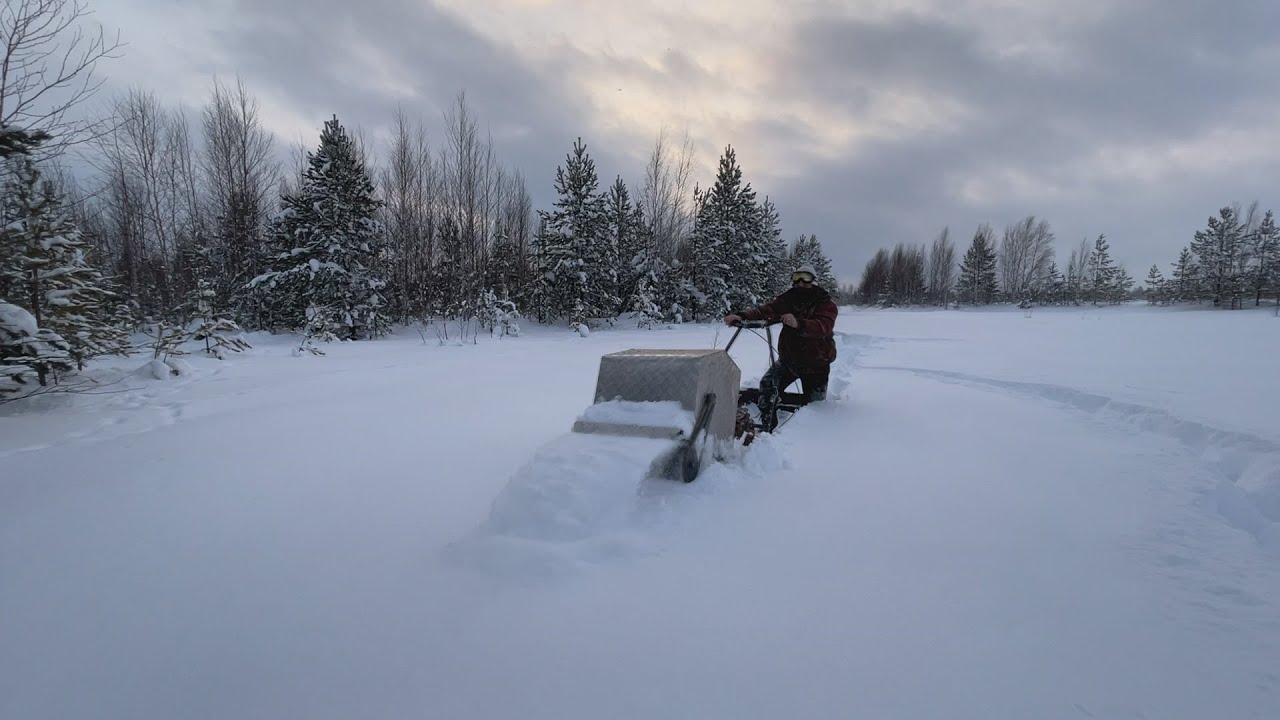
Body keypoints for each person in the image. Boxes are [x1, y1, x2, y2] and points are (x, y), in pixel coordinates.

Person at [723, 264, 838, 431]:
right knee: (768, 385)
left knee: (815, 409)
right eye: (796, 278)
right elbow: (765, 311)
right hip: (789, 360)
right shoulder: (787, 299)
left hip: (816, 363)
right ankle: (768, 425)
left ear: (814, 281)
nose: (800, 283)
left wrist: (798, 323)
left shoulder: (825, 304)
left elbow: (823, 326)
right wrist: (741, 316)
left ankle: (808, 440)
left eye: (805, 279)